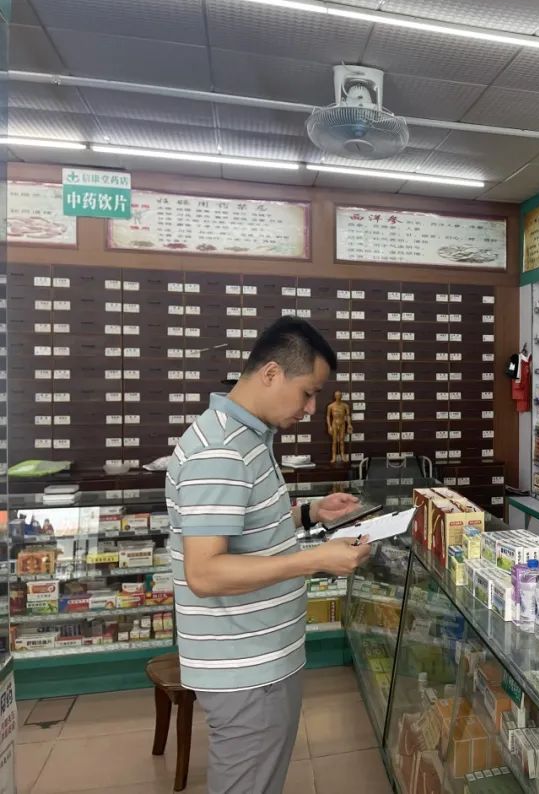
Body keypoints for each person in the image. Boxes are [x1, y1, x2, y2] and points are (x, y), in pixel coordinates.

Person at [166, 315, 371, 794]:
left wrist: (310, 514)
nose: (313, 407)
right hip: (246, 669)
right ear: (272, 373)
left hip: (258, 659)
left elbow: (244, 529)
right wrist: (316, 559)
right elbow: (205, 572)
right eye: (308, 393)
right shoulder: (221, 450)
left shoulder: (247, 437)